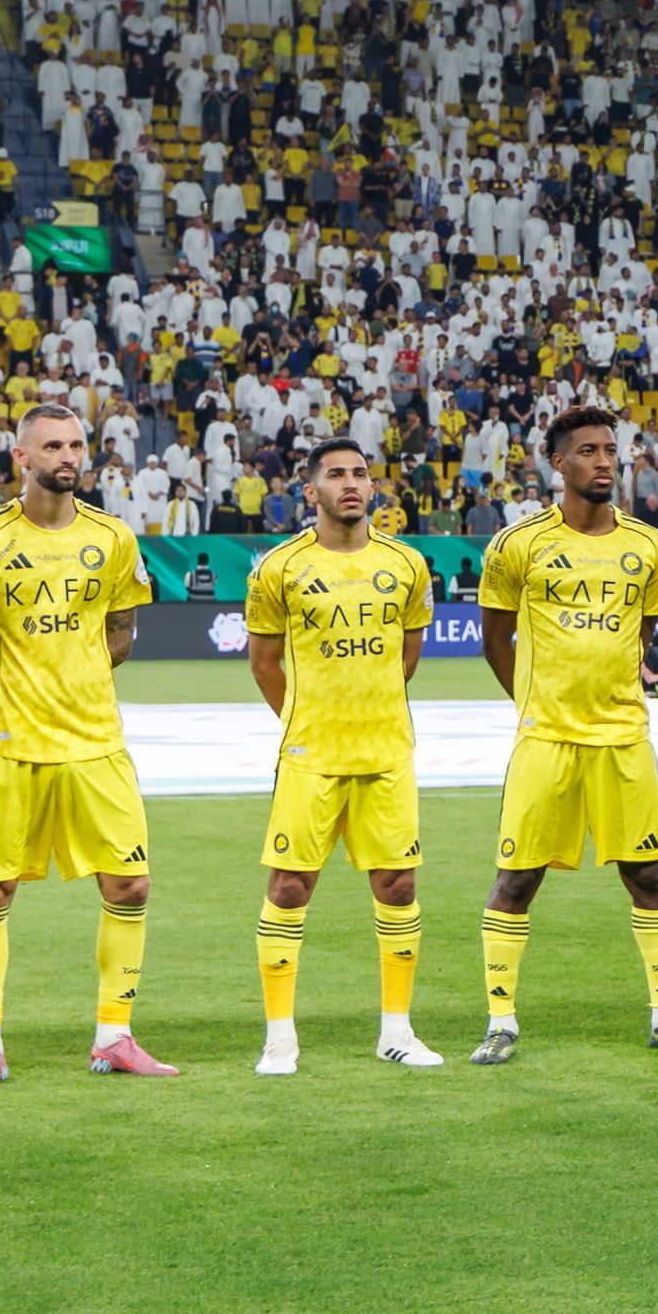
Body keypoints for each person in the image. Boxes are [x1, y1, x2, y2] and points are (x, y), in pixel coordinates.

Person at [0, 397, 175, 1084]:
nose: (67, 457)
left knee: (130, 884)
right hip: (9, 743)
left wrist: (75, 680)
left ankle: (115, 1035)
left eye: (75, 445)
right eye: (51, 447)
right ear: (21, 456)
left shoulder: (112, 538)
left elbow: (122, 631)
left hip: (94, 740)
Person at [473, 407, 658, 1061]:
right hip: (545, 738)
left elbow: (645, 631)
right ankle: (500, 1022)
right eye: (587, 451)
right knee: (515, 879)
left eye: (611, 449)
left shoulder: (647, 545)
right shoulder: (518, 543)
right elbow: (496, 637)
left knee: (649, 875)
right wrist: (532, 698)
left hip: (624, 737)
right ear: (558, 462)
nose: (603, 461)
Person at [241, 434, 442, 1072]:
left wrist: (372, 707)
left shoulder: (407, 564)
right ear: (311, 491)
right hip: (311, 754)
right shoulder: (279, 567)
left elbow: (407, 653)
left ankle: (397, 1031)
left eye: (360, 474)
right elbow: (264, 663)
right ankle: (280, 1036)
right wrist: (307, 720)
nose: (350, 484)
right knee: (291, 886)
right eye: (336, 475)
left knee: (398, 882)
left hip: (387, 751)